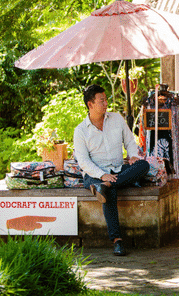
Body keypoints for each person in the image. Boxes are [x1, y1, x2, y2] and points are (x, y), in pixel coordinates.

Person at [74, 84, 150, 256]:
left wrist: (132, 155)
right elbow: (83, 162)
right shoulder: (80, 131)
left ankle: (106, 186)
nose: (106, 103)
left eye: (106, 99)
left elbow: (130, 141)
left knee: (143, 166)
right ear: (90, 104)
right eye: (101, 100)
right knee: (108, 190)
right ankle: (117, 240)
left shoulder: (116, 119)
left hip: (118, 170)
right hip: (94, 175)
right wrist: (102, 175)